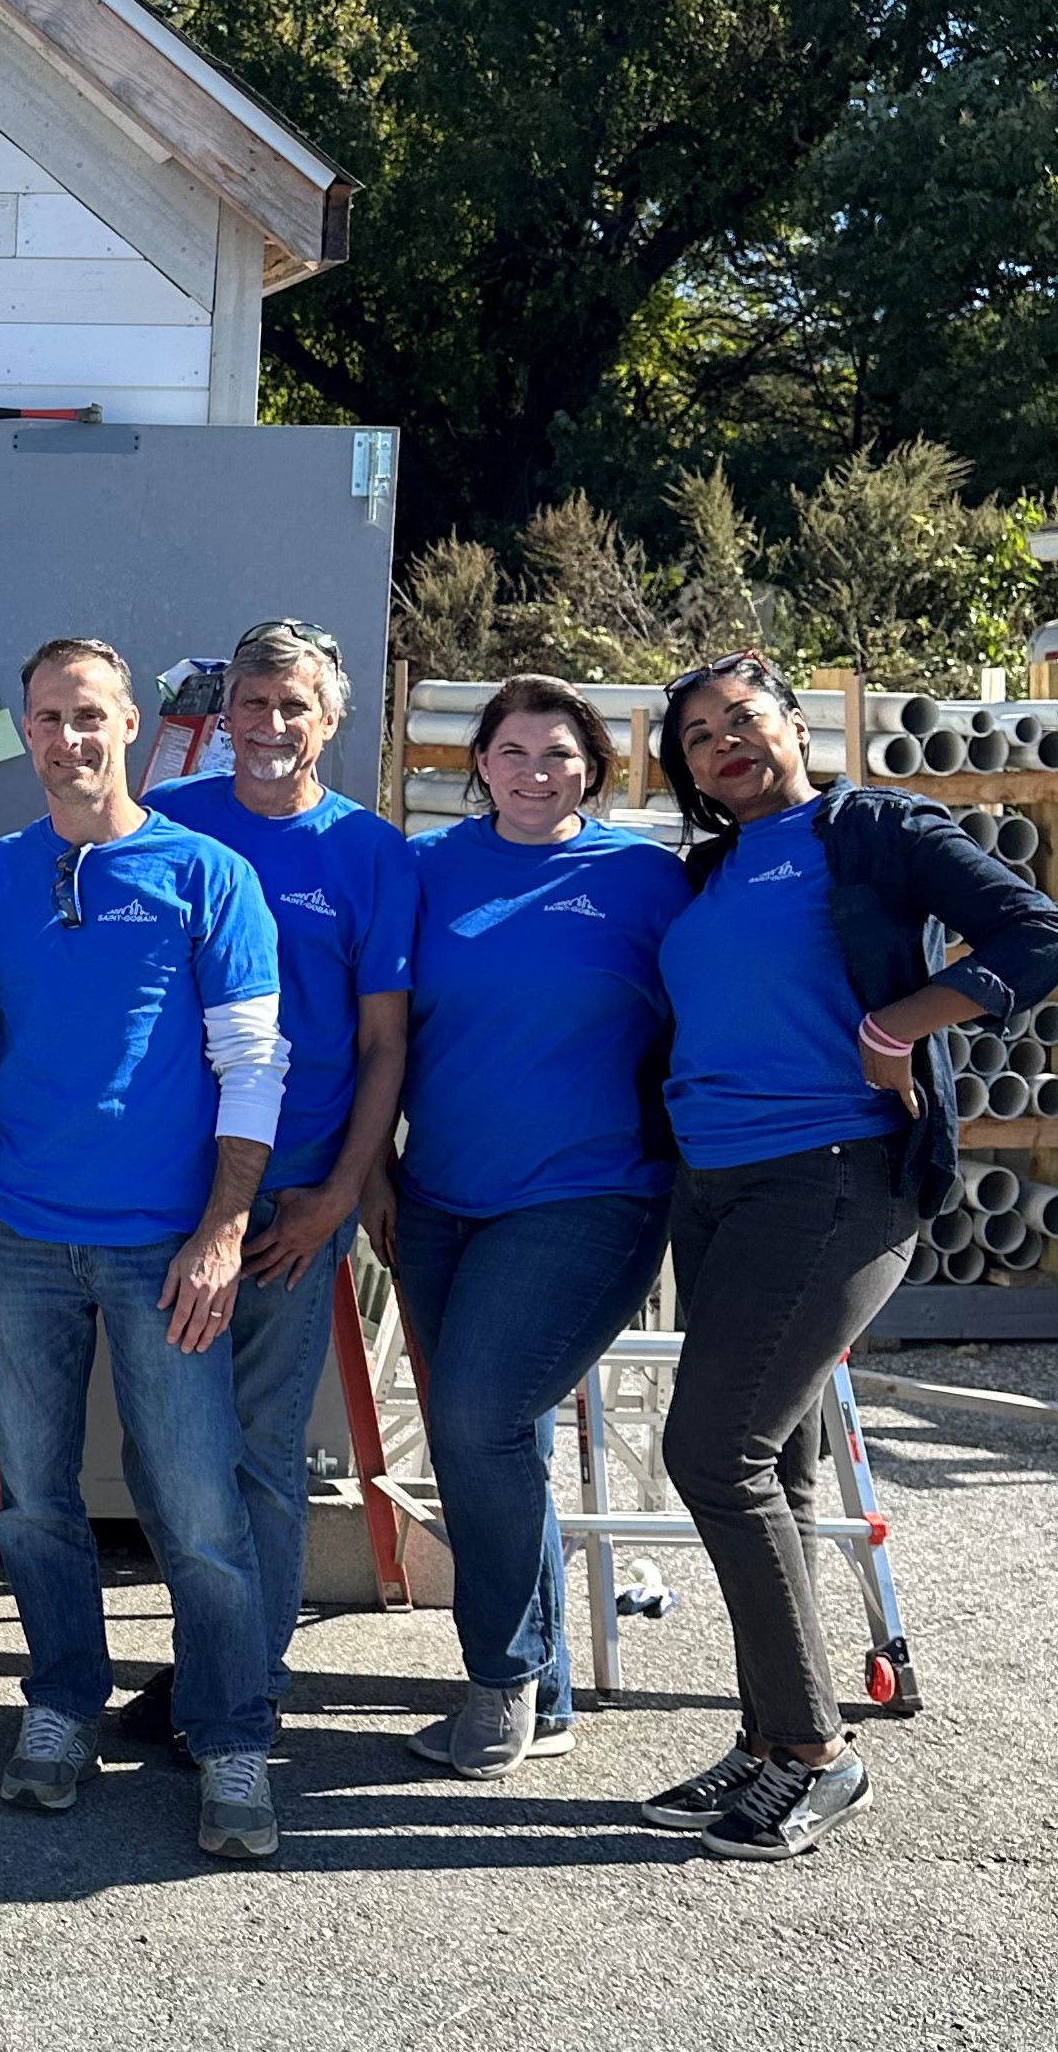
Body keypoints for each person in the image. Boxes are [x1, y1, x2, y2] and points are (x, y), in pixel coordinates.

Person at [643, 651, 1058, 1861]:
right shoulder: (708, 870)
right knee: (780, 1463)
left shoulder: (866, 824)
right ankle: (772, 1735)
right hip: (711, 1186)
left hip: (832, 1175)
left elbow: (1031, 933)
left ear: (793, 724)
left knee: (713, 1448)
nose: (723, 740)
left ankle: (819, 1752)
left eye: (742, 716)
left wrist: (896, 1023)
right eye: (698, 734)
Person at [0, 636, 287, 1862]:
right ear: (25, 728)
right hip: (22, 1236)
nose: (67, 737)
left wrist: (222, 1228)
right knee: (36, 1503)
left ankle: (231, 1729)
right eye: (45, 716)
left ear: (132, 722)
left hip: (165, 1249)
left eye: (88, 714)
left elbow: (253, 1064)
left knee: (198, 1508)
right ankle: (60, 1704)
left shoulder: (208, 874)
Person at [384, 675, 688, 1779]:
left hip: (589, 1193)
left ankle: (499, 1677)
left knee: (475, 1417)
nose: (531, 772)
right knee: (493, 1434)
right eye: (510, 751)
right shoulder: (424, 872)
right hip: (437, 1199)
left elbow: (724, 1004)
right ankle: (547, 1688)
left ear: (594, 768)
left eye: (556, 753)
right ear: (477, 765)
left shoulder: (644, 880)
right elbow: (376, 1029)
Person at [133, 621, 416, 1754]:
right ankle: (209, 1656)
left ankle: (248, 1674)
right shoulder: (174, 824)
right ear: (225, 712)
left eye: (293, 705)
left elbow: (385, 1045)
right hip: (166, 1189)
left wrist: (340, 1193)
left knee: (257, 1443)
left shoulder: (370, 853)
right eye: (252, 703)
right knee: (169, 1445)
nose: (269, 726)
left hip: (293, 1200)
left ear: (329, 719)